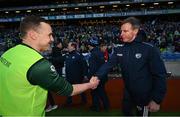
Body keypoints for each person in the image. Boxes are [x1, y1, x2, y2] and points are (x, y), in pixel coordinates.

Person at [0, 16, 99, 116]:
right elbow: (68, 90)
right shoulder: (38, 64)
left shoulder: (8, 53)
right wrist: (90, 84)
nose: (52, 39)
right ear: (33, 35)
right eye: (49, 35)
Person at [93, 17, 167, 116]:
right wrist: (97, 76)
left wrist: (156, 100)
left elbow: (160, 75)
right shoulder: (120, 49)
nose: (121, 34)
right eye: (121, 31)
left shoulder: (149, 49)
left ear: (135, 31)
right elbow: (108, 64)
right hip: (128, 94)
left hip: (144, 96)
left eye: (125, 31)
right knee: (126, 112)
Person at [87, 38, 110, 112]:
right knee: (101, 91)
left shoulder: (93, 54)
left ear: (91, 45)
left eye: (89, 45)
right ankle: (106, 105)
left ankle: (96, 106)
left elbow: (93, 68)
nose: (88, 46)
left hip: (96, 76)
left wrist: (92, 77)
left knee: (95, 92)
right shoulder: (100, 52)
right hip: (102, 76)